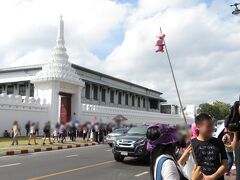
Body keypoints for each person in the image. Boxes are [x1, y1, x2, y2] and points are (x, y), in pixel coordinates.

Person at [192, 113, 227, 180]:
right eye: (208, 126)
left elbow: (224, 165)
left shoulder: (219, 142)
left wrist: (214, 176)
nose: (212, 128)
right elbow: (189, 166)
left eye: (212, 125)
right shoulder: (192, 144)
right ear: (198, 127)